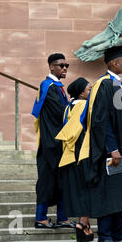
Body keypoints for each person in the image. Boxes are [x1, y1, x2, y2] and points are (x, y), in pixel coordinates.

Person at [78, 45, 122, 242]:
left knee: (119, 193)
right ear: (114, 63)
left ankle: (119, 235)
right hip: (109, 152)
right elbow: (100, 121)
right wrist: (112, 148)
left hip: (121, 150)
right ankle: (105, 236)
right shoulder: (103, 85)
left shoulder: (118, 84)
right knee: (108, 193)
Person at [31, 53, 76, 229]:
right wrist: (77, 105)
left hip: (60, 142)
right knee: (47, 179)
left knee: (63, 179)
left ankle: (63, 218)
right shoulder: (48, 86)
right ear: (51, 67)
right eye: (60, 65)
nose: (64, 68)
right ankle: (40, 218)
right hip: (51, 143)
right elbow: (61, 112)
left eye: (66, 65)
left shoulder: (57, 87)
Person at [56, 77, 94, 242]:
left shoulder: (68, 107)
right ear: (81, 93)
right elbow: (81, 130)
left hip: (69, 154)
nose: (91, 92)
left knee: (79, 190)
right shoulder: (84, 106)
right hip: (82, 153)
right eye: (88, 89)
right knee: (87, 189)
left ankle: (85, 226)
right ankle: (83, 224)